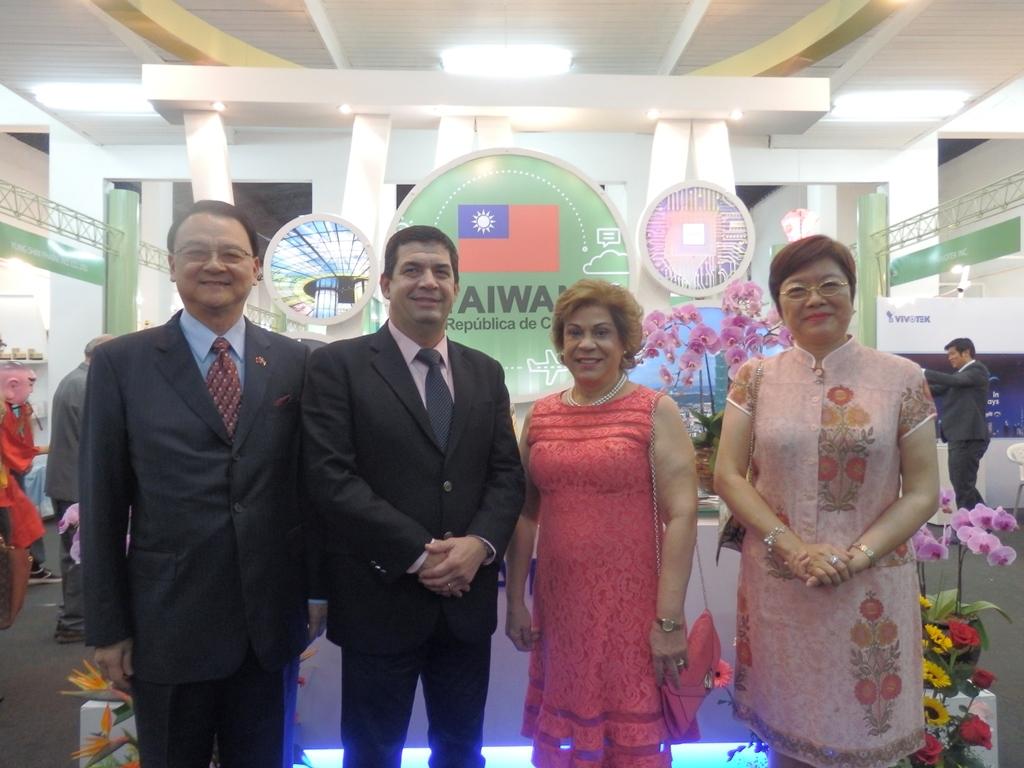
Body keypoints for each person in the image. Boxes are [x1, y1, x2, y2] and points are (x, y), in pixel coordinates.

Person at [80, 199, 315, 768]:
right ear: (171, 264)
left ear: (255, 267)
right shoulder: (122, 364)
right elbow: (103, 502)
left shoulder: (295, 362)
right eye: (197, 252)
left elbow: (310, 491)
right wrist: (108, 629)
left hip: (268, 624)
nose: (215, 265)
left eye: (232, 253)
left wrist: (317, 593)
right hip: (167, 623)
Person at [302, 224, 525, 768]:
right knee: (373, 751)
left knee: (461, 748)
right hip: (380, 598)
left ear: (457, 286)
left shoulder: (484, 371)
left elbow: (506, 475)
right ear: (385, 282)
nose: (428, 281)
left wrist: (480, 545)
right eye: (413, 270)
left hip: (465, 601)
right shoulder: (338, 366)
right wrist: (421, 553)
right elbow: (331, 478)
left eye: (441, 271)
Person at [714, 235, 939, 768]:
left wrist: (856, 555)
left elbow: (924, 490)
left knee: (868, 736)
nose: (815, 298)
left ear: (853, 294)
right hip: (781, 584)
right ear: (779, 304)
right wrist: (791, 548)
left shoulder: (901, 379)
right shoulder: (755, 378)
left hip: (871, 582)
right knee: (787, 736)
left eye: (829, 285)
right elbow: (728, 474)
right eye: (797, 289)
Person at [504, 279, 699, 767]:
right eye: (574, 333)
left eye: (601, 333)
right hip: (561, 608)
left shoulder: (654, 410)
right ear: (561, 343)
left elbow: (682, 515)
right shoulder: (543, 415)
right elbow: (526, 512)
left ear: (625, 342)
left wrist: (669, 620)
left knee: (628, 736)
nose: (585, 344)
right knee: (570, 732)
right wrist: (515, 603)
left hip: (633, 612)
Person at [45, 334, 113, 643]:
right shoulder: (89, 386)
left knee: (72, 556)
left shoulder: (71, 380)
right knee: (79, 556)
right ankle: (73, 621)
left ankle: (72, 616)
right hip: (77, 486)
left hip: (65, 482)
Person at [0, 361, 56, 582]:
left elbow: (21, 440)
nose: (32, 389)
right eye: (30, 384)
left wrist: (30, 454)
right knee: (18, 522)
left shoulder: (18, 407)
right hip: (6, 478)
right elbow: (10, 446)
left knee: (23, 521)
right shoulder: (5, 410)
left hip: (10, 475)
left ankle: (28, 567)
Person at [923, 338, 990, 510]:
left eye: (952, 354)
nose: (949, 358)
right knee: (963, 485)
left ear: (966, 352)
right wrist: (912, 385)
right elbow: (938, 389)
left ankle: (966, 529)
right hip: (959, 436)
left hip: (969, 437)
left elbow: (954, 382)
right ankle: (985, 522)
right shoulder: (961, 375)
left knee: (963, 486)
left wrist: (921, 372)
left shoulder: (977, 370)